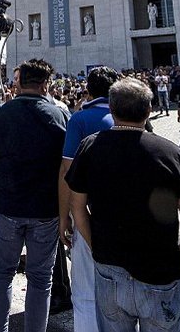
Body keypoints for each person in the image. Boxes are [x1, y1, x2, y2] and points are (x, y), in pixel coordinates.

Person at [66, 78, 180, 332]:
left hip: (110, 269)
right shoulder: (170, 152)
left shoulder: (91, 146)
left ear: (112, 109)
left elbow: (77, 207)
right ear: (149, 110)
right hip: (160, 271)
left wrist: (97, 246)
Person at [0, 59, 68, 332]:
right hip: (46, 210)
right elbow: (67, 167)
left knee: (1, 275)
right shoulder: (61, 115)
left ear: (18, 82)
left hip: (8, 207)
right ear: (45, 84)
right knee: (40, 280)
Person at [58, 66, 120, 332]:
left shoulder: (80, 119)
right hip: (126, 213)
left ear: (88, 90)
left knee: (84, 290)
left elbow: (67, 172)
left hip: (87, 212)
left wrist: (64, 218)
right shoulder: (131, 115)